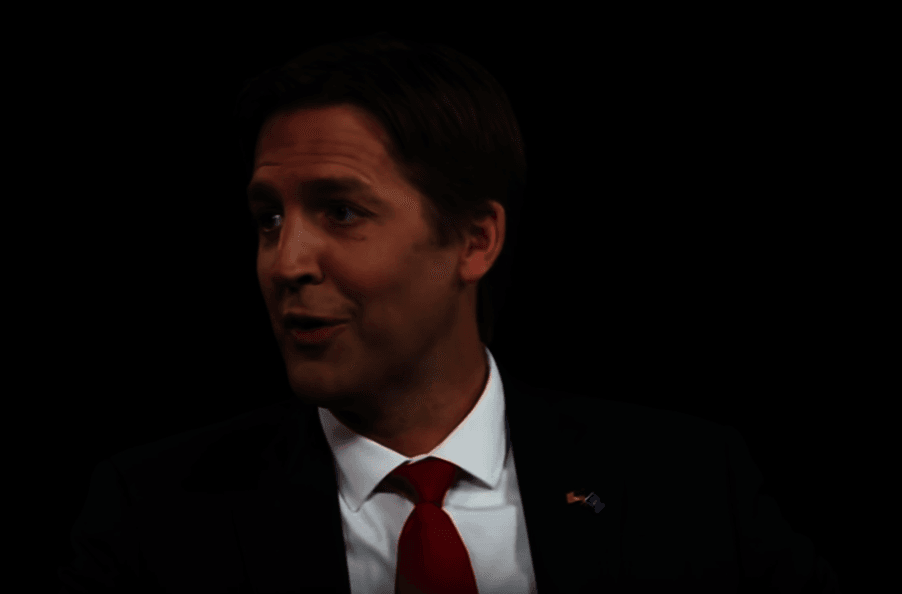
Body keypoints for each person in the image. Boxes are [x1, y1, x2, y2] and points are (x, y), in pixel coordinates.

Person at [57, 32, 840, 593]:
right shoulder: (151, 516)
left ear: (474, 240)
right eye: (269, 218)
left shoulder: (688, 486)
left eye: (341, 212)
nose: (285, 262)